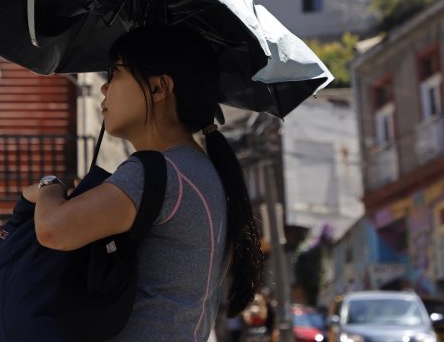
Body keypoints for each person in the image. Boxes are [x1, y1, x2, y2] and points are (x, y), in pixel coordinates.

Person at [21, 24, 264, 341]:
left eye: (116, 72)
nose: (104, 89)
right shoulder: (198, 172)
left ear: (159, 89)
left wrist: (51, 185)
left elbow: (54, 228)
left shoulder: (157, 172)